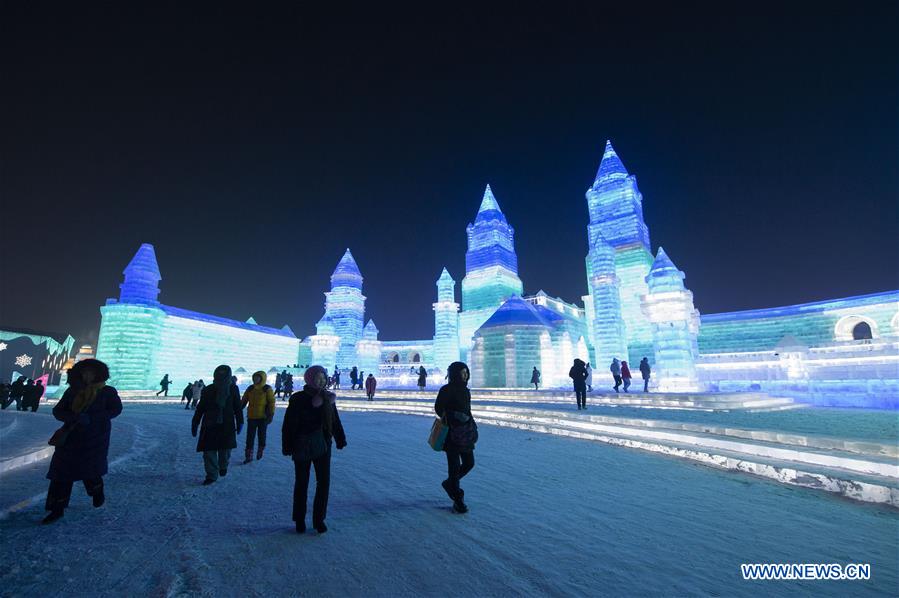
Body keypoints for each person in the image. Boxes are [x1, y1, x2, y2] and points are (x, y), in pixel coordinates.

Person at [43, 359, 122, 524]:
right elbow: (58, 410)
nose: (87, 375)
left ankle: (96, 490)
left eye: (90, 372)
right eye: (84, 372)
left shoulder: (107, 391)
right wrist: (73, 417)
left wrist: (93, 418)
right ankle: (57, 509)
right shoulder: (72, 391)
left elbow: (115, 409)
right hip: (70, 437)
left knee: (90, 470)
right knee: (61, 474)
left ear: (98, 374)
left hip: (95, 438)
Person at [282, 365, 347, 534]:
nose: (322, 381)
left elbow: (334, 420)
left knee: (323, 483)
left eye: (324, 377)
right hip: (302, 444)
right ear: (310, 379)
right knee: (302, 483)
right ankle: (299, 519)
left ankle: (319, 520)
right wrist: (287, 445)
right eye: (318, 377)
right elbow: (289, 423)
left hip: (323, 445)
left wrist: (340, 438)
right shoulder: (298, 398)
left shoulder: (327, 398)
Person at [435, 362, 477, 514]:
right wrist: (454, 415)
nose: (465, 375)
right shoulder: (446, 389)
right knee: (453, 468)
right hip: (451, 434)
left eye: (466, 372)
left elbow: (467, 410)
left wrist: (471, 425)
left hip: (465, 433)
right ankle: (458, 499)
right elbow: (439, 409)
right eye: (462, 373)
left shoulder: (466, 390)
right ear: (454, 374)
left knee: (469, 463)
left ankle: (450, 484)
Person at [191, 365, 243, 485]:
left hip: (227, 424)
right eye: (219, 373)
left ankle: (223, 465)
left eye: (223, 374)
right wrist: (195, 421)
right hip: (210, 424)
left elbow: (237, 407)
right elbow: (201, 408)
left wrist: (240, 421)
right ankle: (211, 475)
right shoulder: (208, 389)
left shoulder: (233, 389)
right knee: (209, 451)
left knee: (225, 450)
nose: (221, 376)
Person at [241, 371, 275, 463]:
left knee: (261, 436)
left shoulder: (267, 389)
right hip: (251, 417)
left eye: (258, 377)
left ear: (262, 378)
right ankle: (248, 456)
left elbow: (271, 402)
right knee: (250, 437)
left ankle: (260, 449)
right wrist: (238, 408)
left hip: (263, 417)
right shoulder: (250, 388)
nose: (256, 379)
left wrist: (270, 414)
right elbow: (244, 400)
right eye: (254, 377)